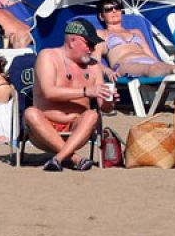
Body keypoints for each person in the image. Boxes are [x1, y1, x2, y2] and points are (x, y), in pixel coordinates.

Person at [24, 20, 113, 171]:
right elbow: (48, 92)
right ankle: (74, 158)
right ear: (72, 41)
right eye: (89, 44)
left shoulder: (94, 66)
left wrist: (110, 101)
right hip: (44, 128)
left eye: (94, 45)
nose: (92, 49)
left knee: (92, 115)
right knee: (30, 113)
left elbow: (104, 108)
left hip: (77, 128)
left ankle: (58, 158)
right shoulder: (48, 56)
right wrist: (86, 91)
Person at [94, 0, 175, 79]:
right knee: (151, 68)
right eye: (108, 9)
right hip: (126, 65)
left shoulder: (136, 32)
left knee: (164, 66)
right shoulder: (100, 34)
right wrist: (108, 72)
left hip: (150, 62)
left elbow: (152, 56)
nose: (114, 11)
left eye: (117, 8)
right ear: (101, 16)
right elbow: (94, 61)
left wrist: (161, 64)